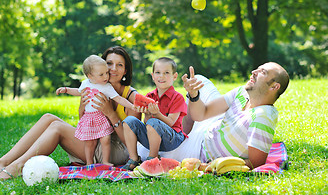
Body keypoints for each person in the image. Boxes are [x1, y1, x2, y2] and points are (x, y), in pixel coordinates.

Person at [0, 46, 141, 179]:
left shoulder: (131, 96)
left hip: (116, 149)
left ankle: (14, 169)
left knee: (57, 128)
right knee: (48, 118)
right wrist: (81, 108)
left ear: (126, 70)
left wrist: (111, 114)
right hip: (93, 141)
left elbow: (129, 143)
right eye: (109, 64)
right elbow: (84, 122)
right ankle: (1, 163)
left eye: (119, 65)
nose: (113, 69)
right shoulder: (96, 88)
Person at [137, 62, 289, 169]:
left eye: (263, 72)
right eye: (258, 68)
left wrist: (209, 167)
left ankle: (174, 137)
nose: (253, 72)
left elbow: (256, 163)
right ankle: (180, 132)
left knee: (141, 149)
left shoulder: (263, 116)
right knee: (199, 80)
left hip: (200, 150)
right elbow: (202, 113)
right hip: (210, 126)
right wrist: (194, 95)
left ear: (274, 87)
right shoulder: (243, 92)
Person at [56, 55, 134, 167]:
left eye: (106, 73)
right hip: (88, 117)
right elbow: (78, 91)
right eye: (101, 74)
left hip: (101, 117)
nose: (106, 76)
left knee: (105, 139)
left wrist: (132, 106)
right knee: (89, 142)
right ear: (90, 76)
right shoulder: (85, 84)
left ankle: (106, 161)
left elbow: (119, 98)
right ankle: (89, 162)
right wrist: (66, 90)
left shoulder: (106, 86)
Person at [122, 57, 187, 170]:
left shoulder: (177, 98)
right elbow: (147, 124)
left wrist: (157, 114)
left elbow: (171, 123)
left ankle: (152, 159)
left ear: (174, 76)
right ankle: (134, 158)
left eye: (166, 73)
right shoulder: (149, 96)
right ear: (153, 76)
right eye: (158, 72)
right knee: (129, 121)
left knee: (153, 122)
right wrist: (147, 115)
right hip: (153, 135)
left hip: (172, 139)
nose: (161, 76)